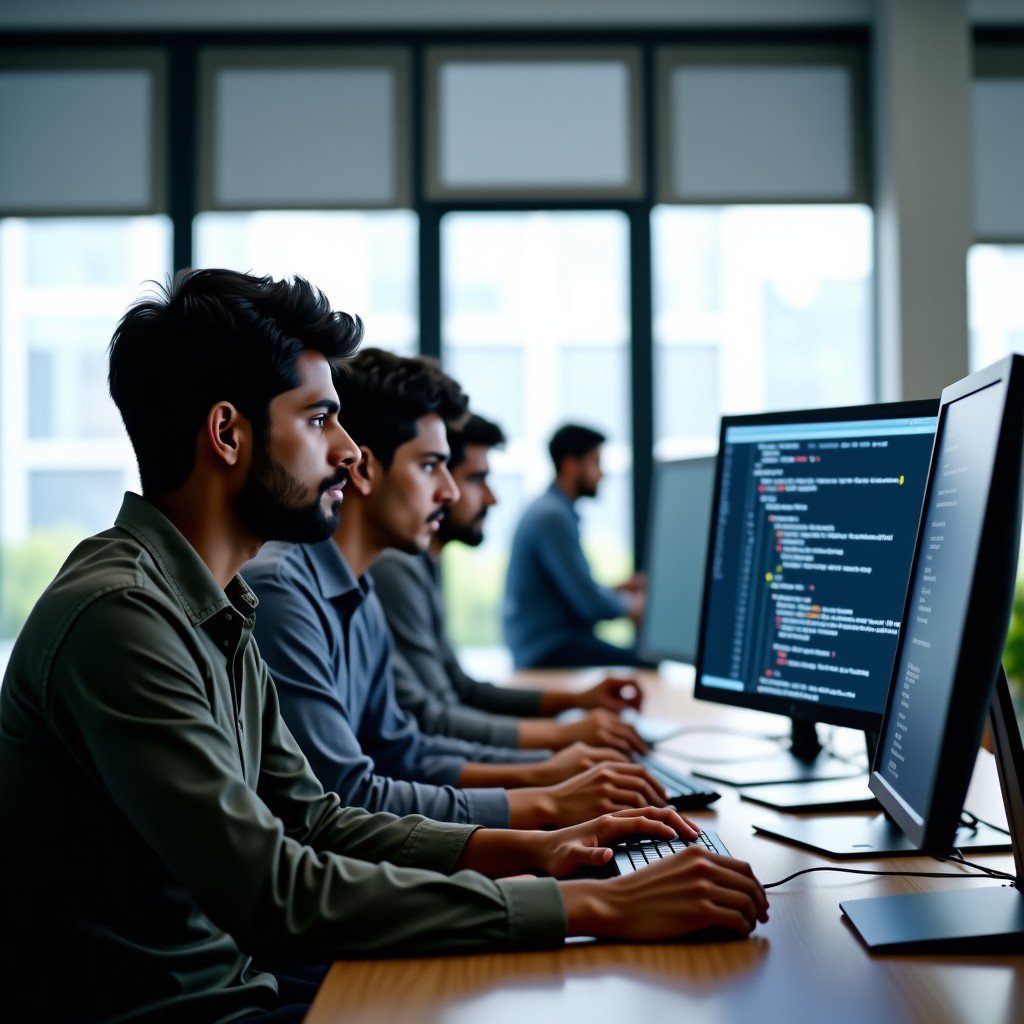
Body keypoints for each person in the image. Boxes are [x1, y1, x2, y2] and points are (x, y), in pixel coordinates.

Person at [0, 271, 768, 1023]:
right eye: (318, 420)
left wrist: (540, 850)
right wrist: (591, 901)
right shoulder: (123, 617)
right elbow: (273, 892)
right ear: (227, 433)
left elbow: (317, 820)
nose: (348, 453)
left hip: (246, 987)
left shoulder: (218, 602)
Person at [244, 350, 664, 829]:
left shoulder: (359, 588)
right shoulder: (283, 591)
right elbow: (346, 795)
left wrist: (550, 772)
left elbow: (404, 750)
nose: (449, 492)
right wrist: (547, 796)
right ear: (363, 471)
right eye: (430, 467)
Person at [372, 412, 648, 752]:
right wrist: (558, 748)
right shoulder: (395, 567)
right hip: (550, 650)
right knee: (645, 662)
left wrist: (577, 704)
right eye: (476, 479)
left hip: (544, 648)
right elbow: (433, 721)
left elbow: (461, 691)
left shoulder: (421, 565)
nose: (493, 498)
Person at [504, 423, 647, 668]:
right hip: (548, 648)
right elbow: (589, 603)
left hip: (546, 643)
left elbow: (576, 591)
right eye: (595, 462)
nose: (602, 473)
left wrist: (618, 591)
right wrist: (632, 606)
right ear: (571, 465)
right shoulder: (552, 517)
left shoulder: (550, 510)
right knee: (647, 661)